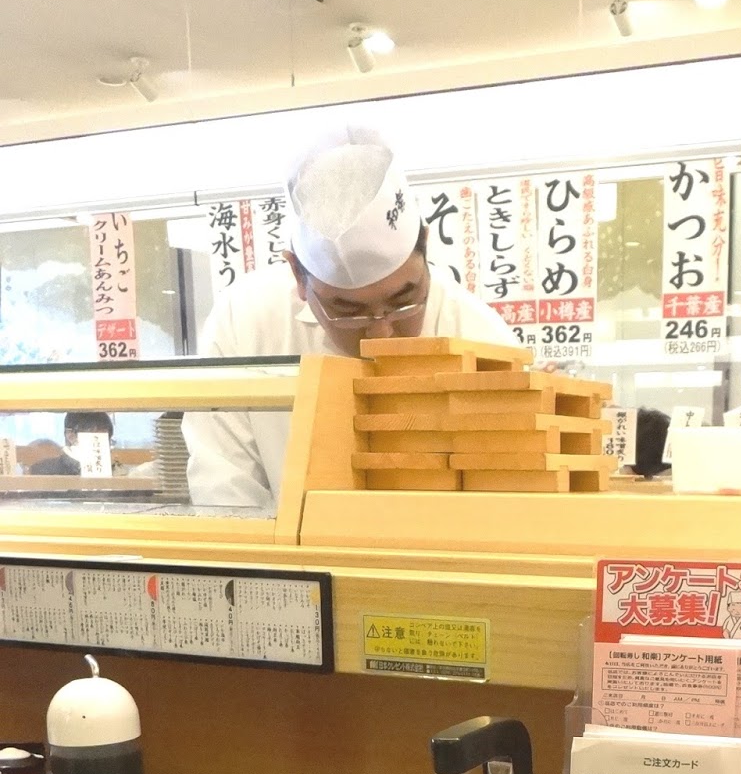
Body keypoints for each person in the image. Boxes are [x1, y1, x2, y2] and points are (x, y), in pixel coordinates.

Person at [184, 125, 516, 508]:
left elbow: (510, 499)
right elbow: (224, 485)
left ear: (425, 245)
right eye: (347, 311)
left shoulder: (479, 336)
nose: (381, 334)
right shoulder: (244, 321)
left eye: (404, 300)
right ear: (298, 276)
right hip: (288, 546)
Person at [27, 411, 115, 476]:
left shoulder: (115, 470)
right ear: (71, 436)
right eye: (95, 438)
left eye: (106, 438)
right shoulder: (43, 471)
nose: (102, 445)